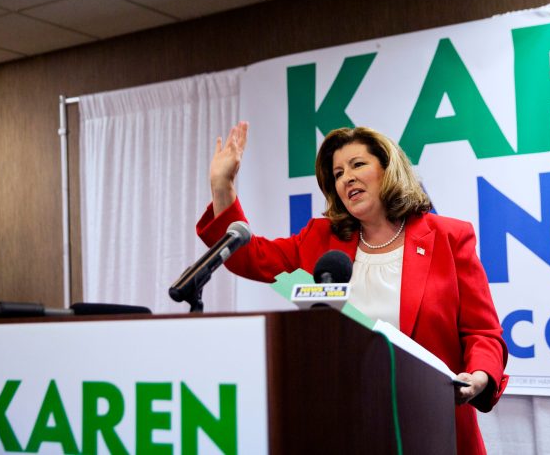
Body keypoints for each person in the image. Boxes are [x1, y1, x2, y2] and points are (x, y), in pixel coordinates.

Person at [197, 122, 508, 455]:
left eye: (358, 165)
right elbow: (248, 257)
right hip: (346, 424)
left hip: (432, 425)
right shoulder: (320, 239)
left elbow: (483, 332)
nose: (346, 178)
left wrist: (478, 376)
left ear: (389, 169)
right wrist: (223, 185)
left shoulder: (449, 237)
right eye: (338, 173)